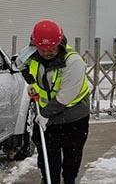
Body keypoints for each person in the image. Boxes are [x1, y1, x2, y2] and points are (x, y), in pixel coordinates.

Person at [22, 19, 91, 184]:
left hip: (74, 118)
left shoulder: (73, 62)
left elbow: (64, 97)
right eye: (42, 48)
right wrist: (31, 84)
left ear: (60, 42)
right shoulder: (31, 52)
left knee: (71, 160)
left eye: (52, 48)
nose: (47, 52)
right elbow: (21, 65)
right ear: (34, 44)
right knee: (48, 161)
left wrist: (45, 115)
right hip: (48, 118)